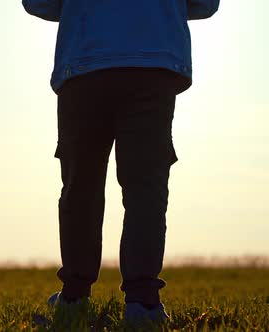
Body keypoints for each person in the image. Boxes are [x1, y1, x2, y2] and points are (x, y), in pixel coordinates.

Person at [22, 0, 220, 325]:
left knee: (80, 186)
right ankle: (143, 303)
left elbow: (38, 3)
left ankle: (74, 297)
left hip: (85, 63)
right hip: (152, 61)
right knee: (145, 187)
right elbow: (206, 4)